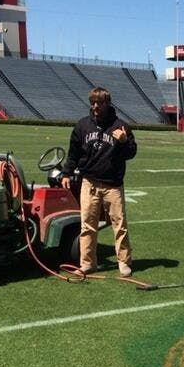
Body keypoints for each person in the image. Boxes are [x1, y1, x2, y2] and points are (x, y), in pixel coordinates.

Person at [61, 86, 137, 276]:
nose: (95, 106)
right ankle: (87, 263)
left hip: (113, 184)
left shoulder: (121, 126)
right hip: (89, 182)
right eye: (92, 102)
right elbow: (73, 153)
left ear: (107, 103)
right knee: (87, 224)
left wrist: (124, 141)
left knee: (119, 225)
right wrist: (66, 173)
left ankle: (123, 262)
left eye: (99, 103)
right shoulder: (82, 126)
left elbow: (132, 153)